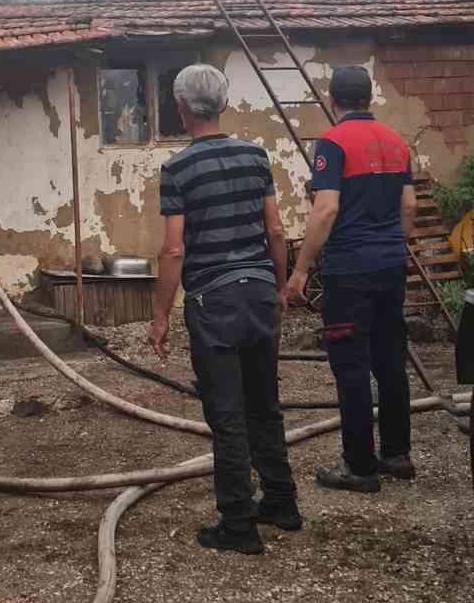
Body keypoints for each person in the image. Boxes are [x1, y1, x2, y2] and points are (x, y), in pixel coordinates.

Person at [147, 64, 301, 556]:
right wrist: (276, 287)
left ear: (181, 108)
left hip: (213, 299)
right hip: (258, 290)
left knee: (228, 416)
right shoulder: (256, 156)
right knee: (265, 405)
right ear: (224, 105)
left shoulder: (178, 169)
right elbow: (276, 231)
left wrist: (161, 315)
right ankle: (281, 501)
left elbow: (173, 250)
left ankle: (238, 524)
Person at [286, 65, 417, 493]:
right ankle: (397, 454)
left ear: (332, 99)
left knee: (351, 365)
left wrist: (301, 269)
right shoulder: (397, 142)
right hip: (390, 266)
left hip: (349, 271)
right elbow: (409, 206)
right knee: (390, 358)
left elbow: (325, 209)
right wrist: (392, 245)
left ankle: (359, 467)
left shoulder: (333, 142)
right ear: (370, 97)